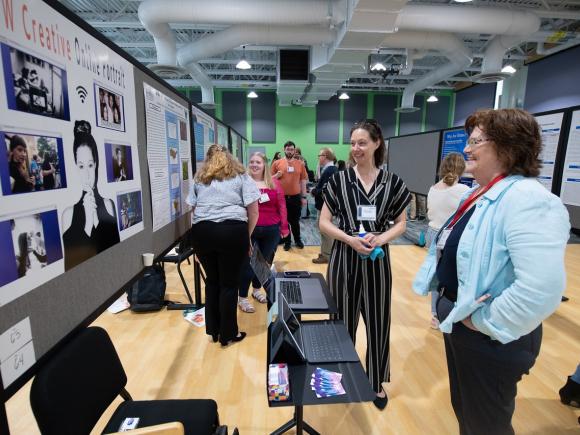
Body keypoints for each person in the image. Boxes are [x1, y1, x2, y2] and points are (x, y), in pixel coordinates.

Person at [413, 108, 570, 435]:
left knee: (486, 424)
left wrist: (481, 321)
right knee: (468, 414)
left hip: (492, 338)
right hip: (464, 327)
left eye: (475, 142)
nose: (466, 149)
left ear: (506, 146)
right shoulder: (478, 194)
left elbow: (540, 291)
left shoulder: (528, 200)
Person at [319, 119, 411, 410]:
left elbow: (402, 223)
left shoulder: (393, 182)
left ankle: (375, 382)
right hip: (344, 260)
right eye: (353, 143)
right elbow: (323, 223)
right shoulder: (339, 180)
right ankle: (340, 376)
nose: (356, 148)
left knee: (378, 322)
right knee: (341, 322)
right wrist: (349, 239)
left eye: (362, 142)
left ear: (376, 143)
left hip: (377, 263)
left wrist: (381, 238)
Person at [187, 144, 260, 346]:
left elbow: (192, 210)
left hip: (203, 232)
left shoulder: (199, 178)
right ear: (230, 157)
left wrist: (195, 243)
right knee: (229, 284)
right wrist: (246, 237)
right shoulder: (241, 176)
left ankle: (214, 330)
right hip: (232, 231)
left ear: (207, 159)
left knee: (212, 281)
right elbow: (253, 212)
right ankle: (228, 334)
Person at [62, 121, 120, 271]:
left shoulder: (108, 204)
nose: (87, 174)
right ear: (75, 166)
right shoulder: (68, 215)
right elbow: (71, 268)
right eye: (81, 166)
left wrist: (95, 219)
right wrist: (87, 225)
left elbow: (117, 257)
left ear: (96, 164)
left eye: (90, 165)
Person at [238, 152, 289, 313]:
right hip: (249, 231)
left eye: (258, 162)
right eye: (252, 161)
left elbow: (281, 205)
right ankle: (242, 297)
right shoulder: (243, 182)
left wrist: (284, 227)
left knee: (263, 263)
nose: (254, 165)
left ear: (264, 165)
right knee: (248, 265)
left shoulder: (273, 182)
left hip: (271, 230)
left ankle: (256, 289)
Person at [426, 152, 469, 329]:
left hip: (431, 233)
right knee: (452, 278)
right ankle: (450, 314)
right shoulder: (464, 191)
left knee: (437, 278)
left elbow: (430, 213)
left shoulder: (433, 188)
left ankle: (436, 316)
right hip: (449, 236)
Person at [271, 141, 308, 251]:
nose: (290, 151)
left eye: (292, 149)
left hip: (295, 197)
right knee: (284, 221)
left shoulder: (300, 164)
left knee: (295, 221)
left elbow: (303, 181)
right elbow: (269, 179)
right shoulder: (276, 163)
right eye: (288, 149)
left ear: (294, 150)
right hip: (280, 198)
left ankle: (297, 240)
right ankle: (287, 241)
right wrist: (276, 175)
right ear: (284, 150)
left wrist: (304, 197)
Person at [311, 147, 338, 264]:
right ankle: (326, 252)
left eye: (320, 155)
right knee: (324, 230)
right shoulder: (331, 169)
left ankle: (327, 255)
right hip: (327, 205)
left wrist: (314, 191)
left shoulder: (329, 170)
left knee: (325, 230)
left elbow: (324, 190)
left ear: (325, 156)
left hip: (325, 206)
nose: (319, 158)